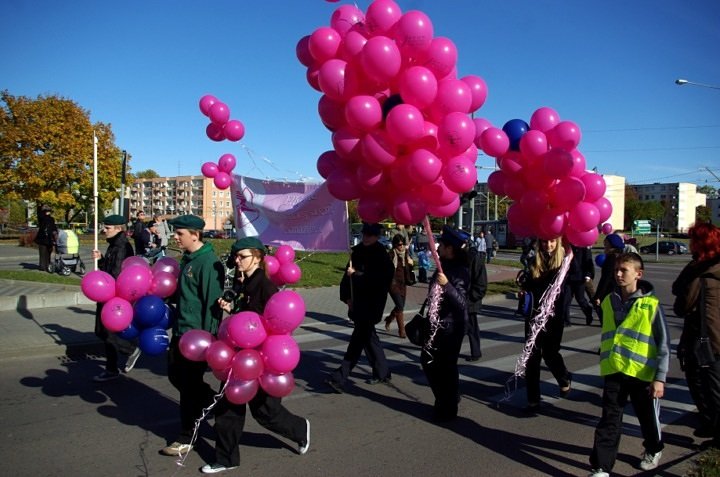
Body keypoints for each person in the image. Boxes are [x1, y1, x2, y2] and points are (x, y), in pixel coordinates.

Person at [203, 237, 310, 474]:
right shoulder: (244, 282)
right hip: (240, 356)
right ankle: (226, 458)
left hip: (260, 359)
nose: (237, 261)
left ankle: (300, 429)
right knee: (228, 408)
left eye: (242, 256)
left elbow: (269, 323)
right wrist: (232, 309)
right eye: (236, 257)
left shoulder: (265, 286)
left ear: (258, 257)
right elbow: (247, 318)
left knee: (266, 413)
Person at [589, 252, 670, 476]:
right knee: (609, 419)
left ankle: (653, 449)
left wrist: (659, 378)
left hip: (643, 373)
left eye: (624, 270)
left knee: (647, 418)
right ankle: (601, 466)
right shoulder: (608, 301)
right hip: (615, 369)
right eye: (616, 269)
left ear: (638, 274)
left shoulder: (651, 305)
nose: (618, 274)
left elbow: (663, 343)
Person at [160, 215, 225, 457]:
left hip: (197, 338)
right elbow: (184, 295)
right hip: (180, 331)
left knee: (187, 389)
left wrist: (210, 340)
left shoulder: (208, 263)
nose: (175, 237)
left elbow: (212, 304)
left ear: (195, 235)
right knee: (175, 375)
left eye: (180, 234)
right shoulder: (187, 260)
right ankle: (214, 401)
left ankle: (187, 437)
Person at [326, 222, 394, 393]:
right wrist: (347, 297)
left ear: (377, 236)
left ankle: (340, 377)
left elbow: (378, 281)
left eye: (370, 235)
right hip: (357, 302)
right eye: (364, 234)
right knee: (369, 337)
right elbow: (346, 276)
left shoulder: (382, 255)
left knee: (357, 341)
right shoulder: (356, 252)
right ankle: (382, 372)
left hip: (371, 304)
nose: (366, 238)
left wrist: (356, 275)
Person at [672, 222, 720, 449]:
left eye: (693, 240)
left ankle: (716, 430)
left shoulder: (701, 272)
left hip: (706, 337)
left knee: (706, 384)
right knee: (709, 383)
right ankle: (711, 423)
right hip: (710, 335)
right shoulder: (711, 267)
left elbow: (682, 304)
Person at [421, 225, 470, 421]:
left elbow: (461, 303)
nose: (438, 247)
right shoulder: (444, 266)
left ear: (451, 249)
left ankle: (447, 408)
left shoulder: (460, 271)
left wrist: (446, 285)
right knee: (428, 361)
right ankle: (445, 398)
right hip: (437, 324)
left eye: (442, 245)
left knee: (446, 368)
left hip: (452, 326)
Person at [520, 237, 572, 411]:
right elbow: (529, 283)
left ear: (558, 242)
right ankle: (533, 400)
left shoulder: (565, 262)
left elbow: (566, 288)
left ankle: (564, 378)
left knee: (550, 354)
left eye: (551, 241)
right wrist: (523, 288)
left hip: (554, 317)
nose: (547, 245)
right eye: (543, 242)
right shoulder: (534, 259)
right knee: (532, 358)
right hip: (534, 316)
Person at [90, 215, 140, 382]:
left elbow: (116, 274)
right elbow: (111, 268)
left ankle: (129, 349)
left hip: (114, 297)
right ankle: (112, 367)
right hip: (106, 295)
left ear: (119, 229)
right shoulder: (114, 245)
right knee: (102, 332)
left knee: (109, 334)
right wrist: (101, 259)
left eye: (108, 227)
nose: (104, 230)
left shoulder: (121, 247)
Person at [384, 234, 413, 338]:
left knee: (400, 306)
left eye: (403, 244)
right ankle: (402, 331)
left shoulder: (406, 254)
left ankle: (389, 319)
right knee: (400, 306)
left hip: (403, 283)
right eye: (399, 245)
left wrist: (411, 263)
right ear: (395, 245)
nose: (401, 247)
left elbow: (409, 270)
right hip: (393, 283)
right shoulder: (391, 254)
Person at [465, 236, 488, 361]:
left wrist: (471, 297)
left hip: (470, 301)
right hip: (462, 300)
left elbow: (481, 284)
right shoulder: (460, 258)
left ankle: (476, 352)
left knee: (472, 328)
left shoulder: (476, 259)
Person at [593, 233, 625, 318]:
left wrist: (598, 296)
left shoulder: (611, 258)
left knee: (607, 316)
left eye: (606, 243)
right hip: (620, 290)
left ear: (611, 244)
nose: (604, 246)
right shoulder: (621, 256)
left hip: (610, 291)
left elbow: (606, 278)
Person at [564, 245, 595, 326]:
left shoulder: (584, 248)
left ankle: (588, 312)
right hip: (568, 277)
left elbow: (588, 262)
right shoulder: (567, 246)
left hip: (580, 278)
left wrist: (588, 275)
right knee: (566, 299)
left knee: (580, 299)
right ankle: (566, 321)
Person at [34, 205, 58, 272]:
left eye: (49, 211)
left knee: (47, 252)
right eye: (48, 211)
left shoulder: (50, 219)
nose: (48, 212)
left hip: (48, 238)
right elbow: (41, 216)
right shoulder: (42, 217)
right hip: (43, 238)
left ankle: (46, 265)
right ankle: (43, 266)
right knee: (44, 252)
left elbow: (53, 227)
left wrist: (55, 233)